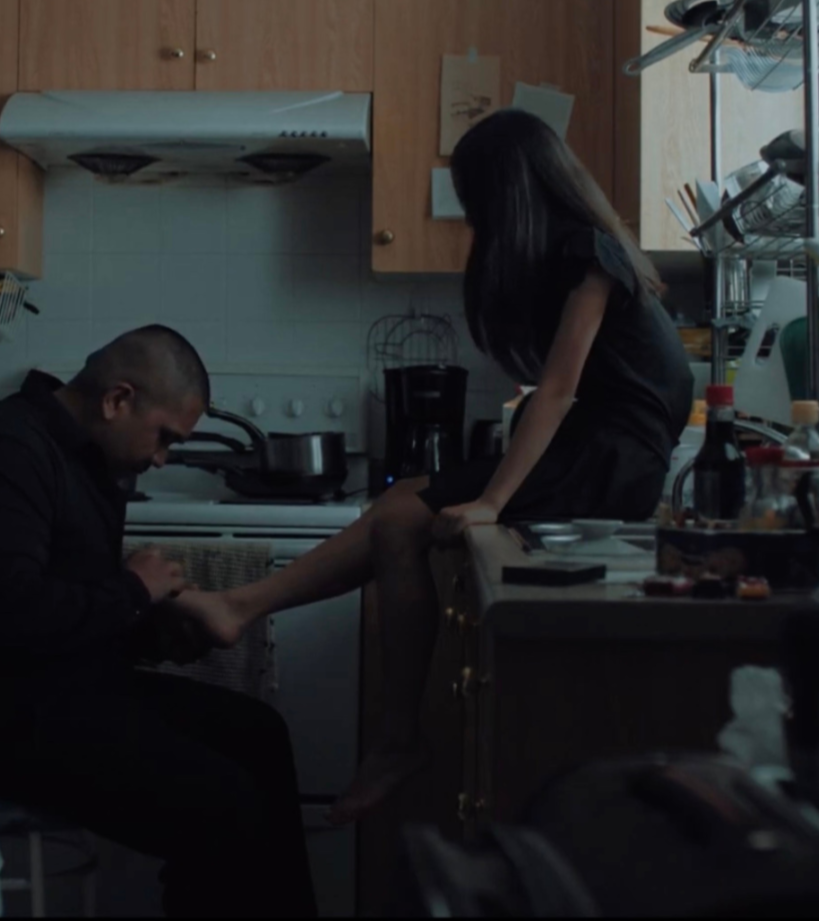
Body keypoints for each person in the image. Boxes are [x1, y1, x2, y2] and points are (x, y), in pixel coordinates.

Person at [177, 108, 695, 825]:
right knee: (399, 510)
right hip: (596, 444)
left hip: (612, 457)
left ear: (505, 190)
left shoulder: (590, 253)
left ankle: (363, 710)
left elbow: (556, 388)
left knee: (397, 515)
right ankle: (291, 647)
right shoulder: (573, 253)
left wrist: (492, 500)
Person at [0, 325, 317, 918]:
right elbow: (8, 614)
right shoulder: (4, 450)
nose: (160, 459)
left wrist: (153, 631)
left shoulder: (86, 462)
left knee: (259, 733)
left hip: (68, 693)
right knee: (221, 804)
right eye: (163, 439)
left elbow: (73, 604)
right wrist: (134, 589)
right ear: (118, 400)